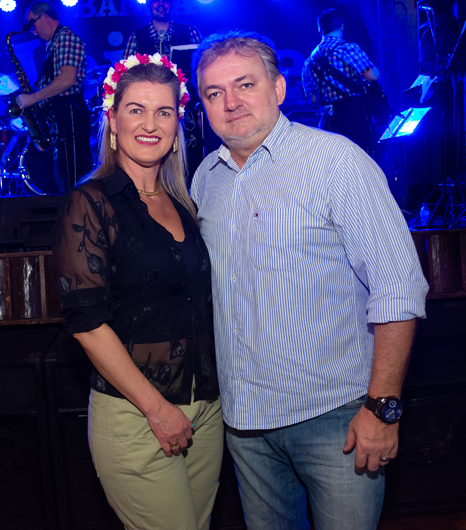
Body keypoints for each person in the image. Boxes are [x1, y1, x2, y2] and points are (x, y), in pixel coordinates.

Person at [190, 30, 429, 530]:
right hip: (246, 426)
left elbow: (398, 288)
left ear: (279, 88)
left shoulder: (336, 160)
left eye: (245, 85)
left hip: (336, 419)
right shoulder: (205, 178)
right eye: (214, 93)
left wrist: (382, 408)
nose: (230, 102)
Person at [53, 53, 222, 530]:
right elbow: (86, 323)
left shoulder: (184, 203)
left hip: (206, 410)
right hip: (138, 414)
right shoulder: (90, 202)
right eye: (136, 110)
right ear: (113, 120)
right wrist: (157, 409)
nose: (150, 124)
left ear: (176, 125)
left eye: (163, 112)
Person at [17, 1, 92, 193]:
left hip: (69, 115)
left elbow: (67, 79)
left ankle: (78, 212)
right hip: (60, 116)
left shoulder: (66, 38)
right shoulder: (54, 44)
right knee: (64, 179)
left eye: (32, 23)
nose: (33, 30)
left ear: (44, 16)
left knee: (72, 181)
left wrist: (32, 99)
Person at [302, 8, 380, 154]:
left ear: (320, 30)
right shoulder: (347, 48)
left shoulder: (308, 63)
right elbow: (373, 76)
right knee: (362, 159)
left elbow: (313, 99)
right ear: (342, 27)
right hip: (355, 118)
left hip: (328, 123)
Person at [123, 0, 202, 59]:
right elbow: (125, 72)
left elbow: (204, 64)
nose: (161, 3)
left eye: (166, 0)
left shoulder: (191, 32)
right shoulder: (136, 37)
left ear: (173, 3)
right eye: (156, 0)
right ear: (148, 4)